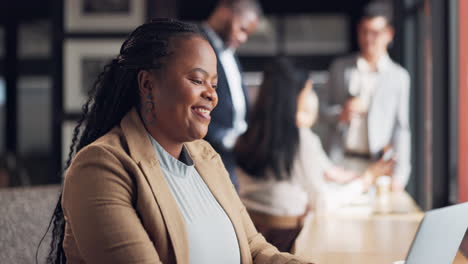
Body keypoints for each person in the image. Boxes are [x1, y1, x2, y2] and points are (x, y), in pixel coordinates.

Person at [45, 19, 311, 264]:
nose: (212, 95)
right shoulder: (100, 169)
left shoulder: (206, 156)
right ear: (147, 84)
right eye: (197, 80)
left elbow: (254, 249)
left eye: (214, 85)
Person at [235, 58, 393, 252]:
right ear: (295, 97)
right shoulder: (299, 138)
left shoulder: (246, 134)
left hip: (247, 240)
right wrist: (366, 180)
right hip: (287, 240)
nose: (312, 99)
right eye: (309, 91)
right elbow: (322, 202)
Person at [321, 2, 411, 191]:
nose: (368, 39)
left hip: (377, 167)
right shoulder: (340, 68)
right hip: (340, 163)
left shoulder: (399, 77)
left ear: (389, 35)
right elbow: (320, 111)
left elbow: (401, 129)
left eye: (375, 33)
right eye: (364, 31)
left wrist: (401, 175)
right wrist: (341, 114)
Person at [199, 0, 261, 190]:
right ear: (225, 11)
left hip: (234, 159)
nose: (243, 39)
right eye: (242, 29)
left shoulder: (230, 52)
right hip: (206, 155)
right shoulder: (195, 44)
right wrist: (228, 139)